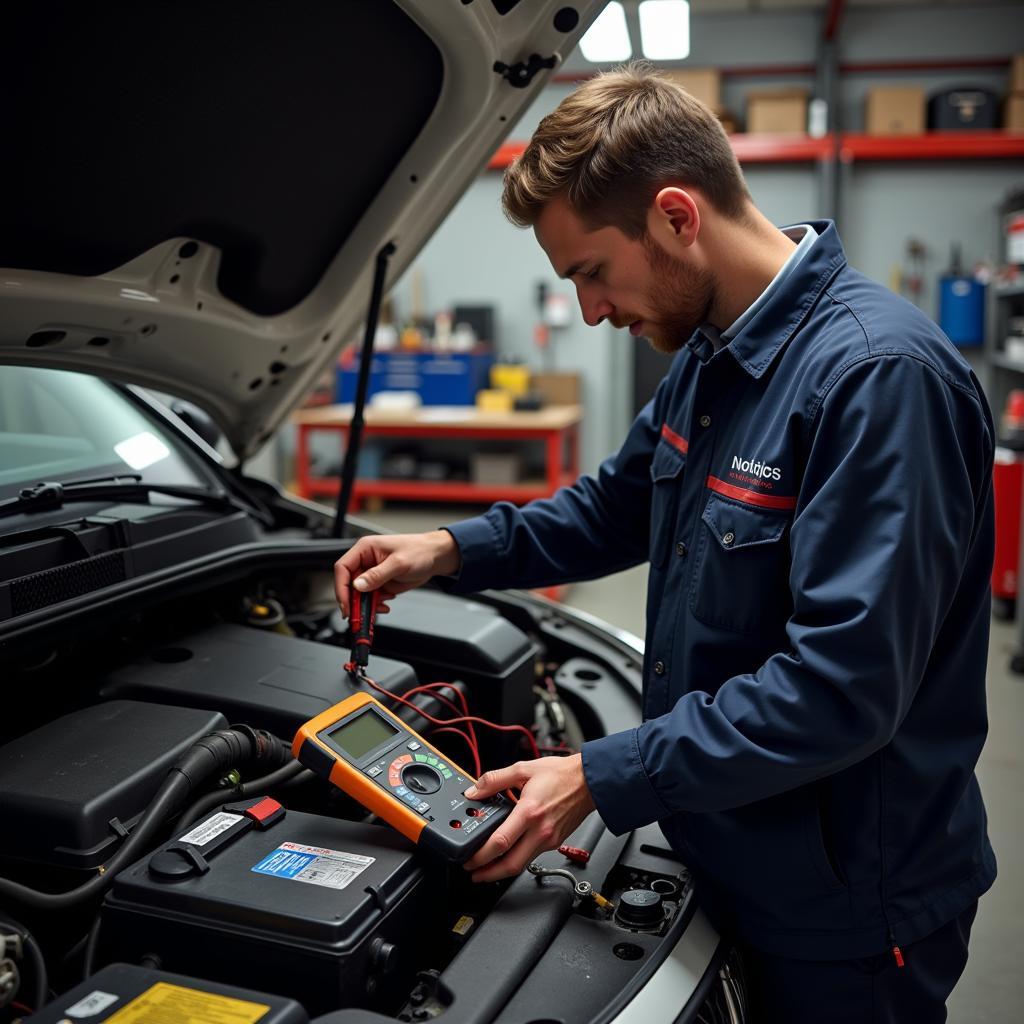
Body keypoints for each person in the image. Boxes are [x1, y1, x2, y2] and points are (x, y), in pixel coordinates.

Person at [334, 65, 995, 1022]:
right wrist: (448, 545)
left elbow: (843, 689)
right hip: (722, 844)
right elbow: (615, 508)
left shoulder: (878, 380)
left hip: (845, 905)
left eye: (592, 272)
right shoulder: (710, 353)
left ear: (678, 216)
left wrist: (599, 776)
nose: (592, 311)